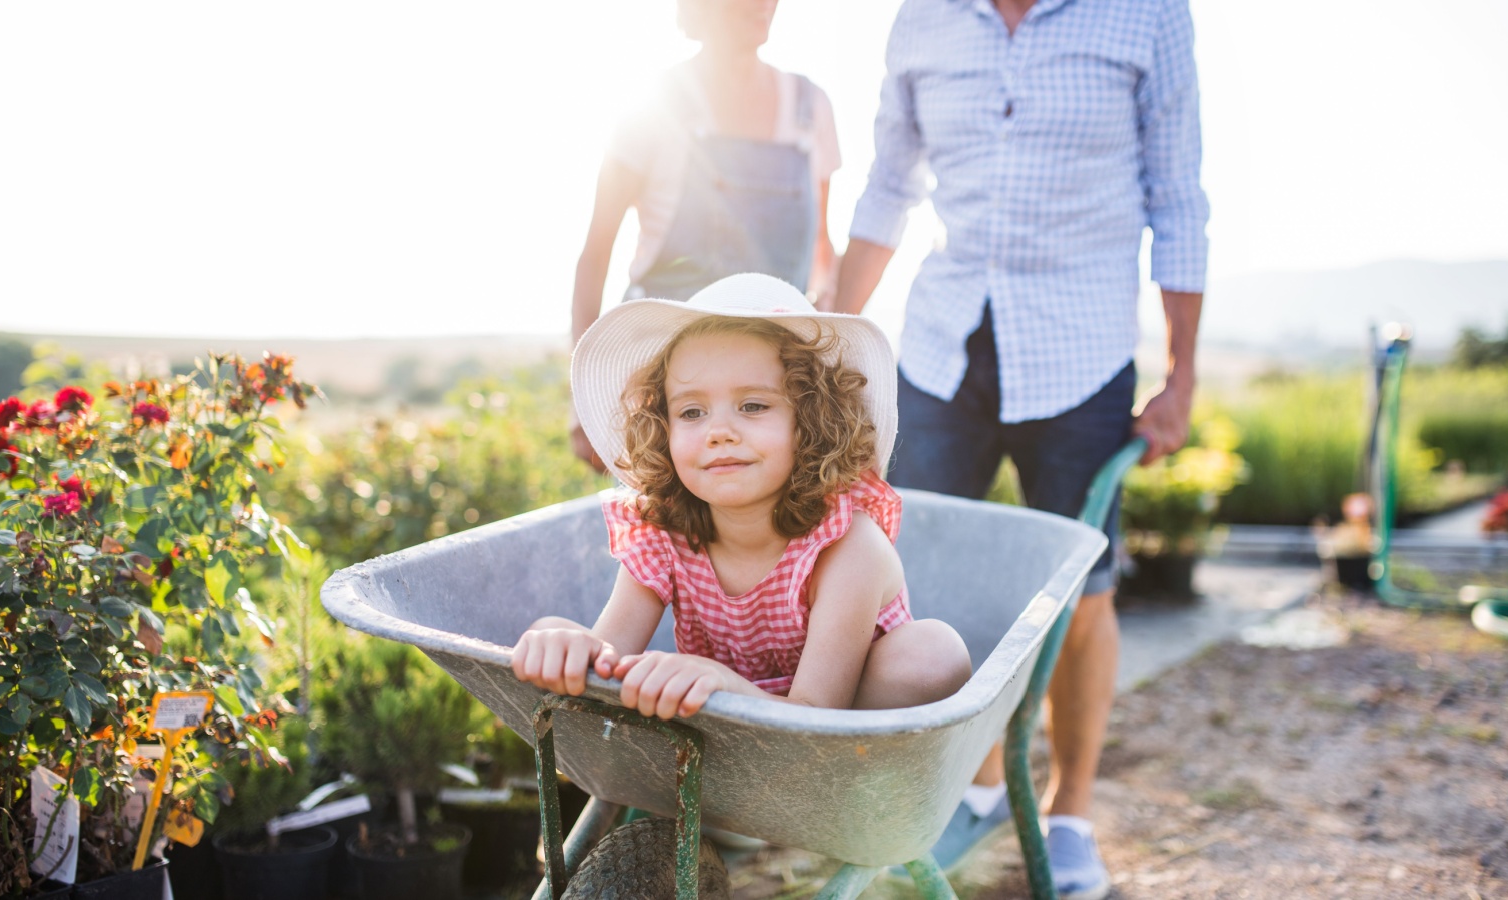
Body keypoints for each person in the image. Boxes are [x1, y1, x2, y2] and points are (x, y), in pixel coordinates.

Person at [830, 0, 1210, 896]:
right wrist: (830, 337)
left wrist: (1181, 375)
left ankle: (1070, 813)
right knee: (906, 580)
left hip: (1080, 352)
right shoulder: (924, 18)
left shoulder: (1147, 14)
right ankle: (981, 787)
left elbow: (1178, 197)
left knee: (1084, 593)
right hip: (941, 344)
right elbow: (891, 185)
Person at [515, 273, 971, 719]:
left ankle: (945, 768)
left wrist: (725, 685)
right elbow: (606, 661)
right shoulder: (662, 532)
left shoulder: (848, 546)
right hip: (734, 741)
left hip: (846, 730)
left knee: (932, 653)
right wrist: (561, 641)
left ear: (810, 420)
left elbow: (816, 714)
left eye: (753, 405)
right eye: (691, 411)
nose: (719, 432)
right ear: (662, 428)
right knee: (560, 637)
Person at [569, 0, 844, 470]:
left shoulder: (809, 106)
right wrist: (583, 404)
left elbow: (822, 245)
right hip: (668, 393)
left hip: (773, 392)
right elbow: (596, 254)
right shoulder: (652, 106)